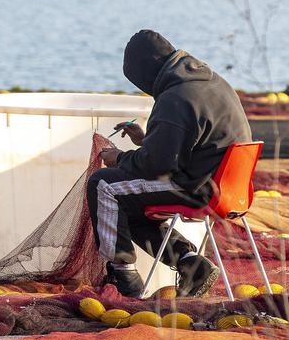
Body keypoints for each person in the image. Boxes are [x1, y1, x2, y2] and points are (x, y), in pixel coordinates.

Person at [88, 30, 251, 298]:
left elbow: (156, 167)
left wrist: (118, 157)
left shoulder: (175, 97)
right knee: (130, 206)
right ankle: (190, 262)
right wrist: (146, 141)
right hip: (229, 188)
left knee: (103, 184)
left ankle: (122, 275)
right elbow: (188, 145)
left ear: (146, 72)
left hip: (197, 188)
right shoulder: (208, 81)